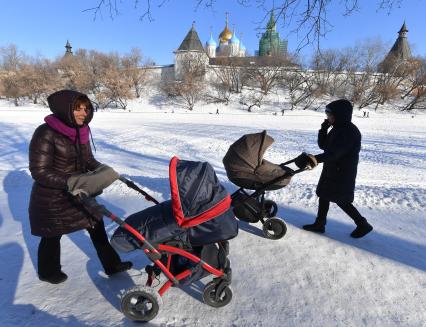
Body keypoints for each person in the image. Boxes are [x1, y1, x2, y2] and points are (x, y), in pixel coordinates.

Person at [29, 89, 132, 284]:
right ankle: (48, 272)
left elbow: (88, 160)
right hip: (53, 197)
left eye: (86, 109)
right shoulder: (45, 133)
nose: (84, 113)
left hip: (78, 192)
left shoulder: (80, 130)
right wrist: (70, 182)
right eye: (78, 109)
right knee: (52, 235)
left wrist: (104, 170)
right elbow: (39, 171)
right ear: (64, 109)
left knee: (96, 223)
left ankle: (112, 265)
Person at [294, 99, 373, 238]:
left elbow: (335, 153)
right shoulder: (337, 128)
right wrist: (324, 129)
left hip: (342, 172)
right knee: (324, 195)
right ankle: (320, 224)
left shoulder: (349, 132)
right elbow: (324, 146)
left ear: (340, 114)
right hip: (332, 169)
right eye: (327, 114)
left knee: (342, 200)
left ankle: (363, 224)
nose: (327, 117)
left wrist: (316, 159)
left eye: (329, 114)